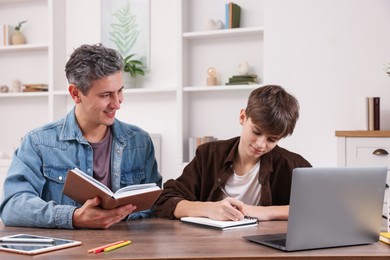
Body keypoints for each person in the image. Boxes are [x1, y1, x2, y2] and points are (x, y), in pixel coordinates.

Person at [0, 44, 162, 229]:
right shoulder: (38, 143)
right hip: (63, 253)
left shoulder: (140, 142)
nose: (117, 104)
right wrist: (73, 217)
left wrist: (118, 215)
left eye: (120, 91)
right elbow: (13, 206)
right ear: (75, 93)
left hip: (124, 249)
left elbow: (154, 204)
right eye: (106, 95)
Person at [154, 85, 311, 222]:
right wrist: (209, 209)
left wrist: (265, 212)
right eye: (256, 132)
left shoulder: (292, 165)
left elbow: (321, 206)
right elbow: (165, 201)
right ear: (243, 117)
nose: (260, 144)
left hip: (267, 252)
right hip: (210, 248)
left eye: (272, 139)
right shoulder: (208, 155)